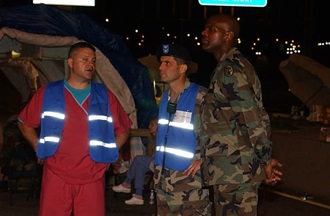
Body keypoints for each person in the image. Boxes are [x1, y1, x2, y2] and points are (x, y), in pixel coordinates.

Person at [17, 41, 132, 216]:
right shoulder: (48, 92)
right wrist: (37, 145)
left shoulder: (105, 95)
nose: (90, 64)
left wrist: (110, 154)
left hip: (92, 174)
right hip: (56, 173)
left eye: (93, 61)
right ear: (70, 62)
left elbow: (124, 129)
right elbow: (24, 122)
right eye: (84, 59)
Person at [199, 13, 283, 215]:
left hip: (236, 172)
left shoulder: (231, 71)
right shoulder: (226, 67)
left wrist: (265, 161)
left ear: (228, 36)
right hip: (229, 171)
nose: (204, 32)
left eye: (211, 29)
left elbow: (253, 118)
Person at [153, 43, 211, 216]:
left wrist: (205, 159)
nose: (160, 67)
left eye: (167, 63)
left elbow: (222, 132)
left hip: (189, 183)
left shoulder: (201, 96)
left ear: (182, 68)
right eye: (161, 62)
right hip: (163, 180)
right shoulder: (165, 97)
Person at [112, 116, 157, 205]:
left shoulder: (163, 137)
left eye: (152, 125)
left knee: (138, 159)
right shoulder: (155, 137)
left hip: (162, 163)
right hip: (154, 162)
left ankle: (127, 183)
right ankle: (138, 196)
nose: (149, 127)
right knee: (140, 167)